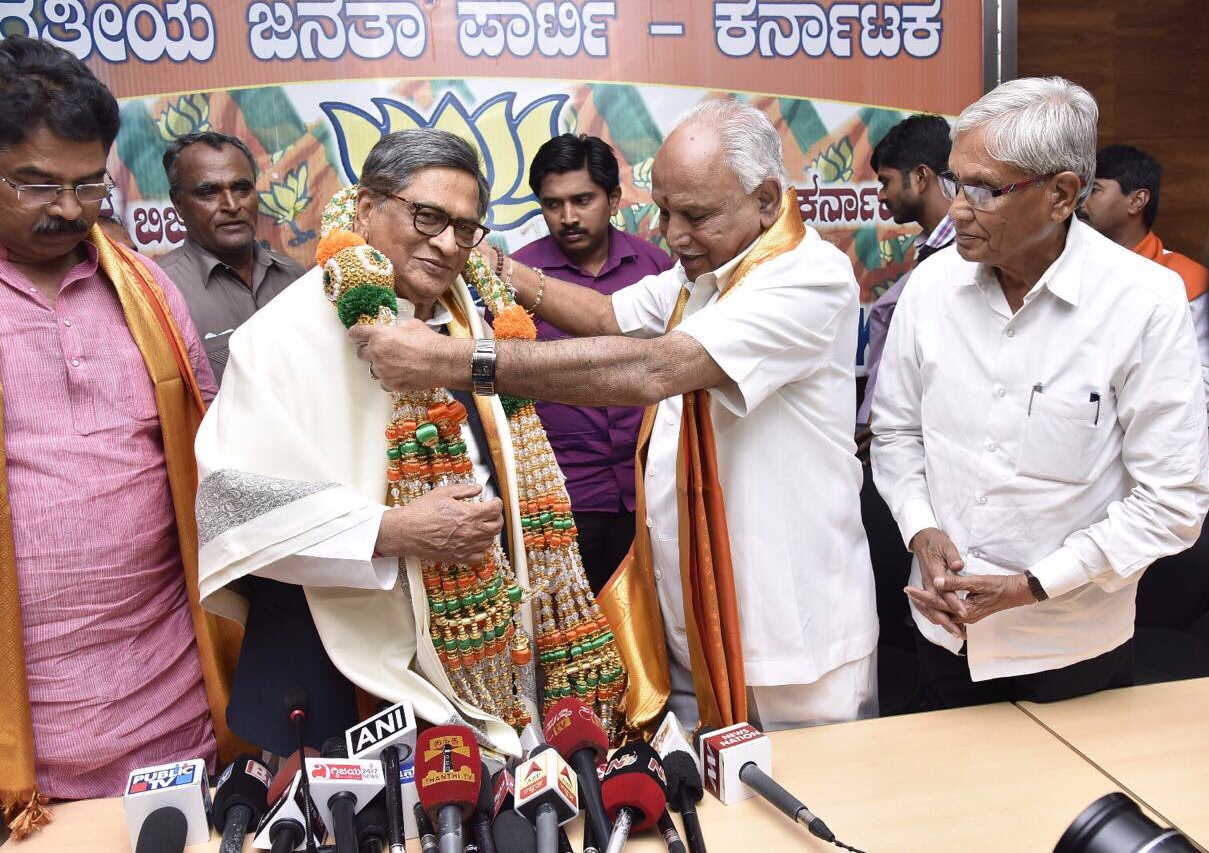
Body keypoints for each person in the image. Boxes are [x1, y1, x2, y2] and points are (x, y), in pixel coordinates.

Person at [353, 100, 878, 732]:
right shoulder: (705, 272)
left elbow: (652, 371)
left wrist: (453, 360)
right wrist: (491, 264)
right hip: (689, 623)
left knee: (812, 810)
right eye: (663, 211)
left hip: (793, 639)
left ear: (767, 200)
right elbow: (607, 317)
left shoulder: (806, 277)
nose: (673, 235)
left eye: (695, 215)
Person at [194, 128, 627, 758]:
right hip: (348, 662)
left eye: (466, 227)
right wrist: (389, 531)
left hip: (494, 636)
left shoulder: (471, 316)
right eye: (427, 216)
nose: (448, 243)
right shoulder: (280, 337)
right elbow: (229, 505)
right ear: (368, 209)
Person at [871, 77, 1209, 709]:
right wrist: (922, 531)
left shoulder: (1143, 303)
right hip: (941, 634)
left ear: (1061, 195)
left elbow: (1173, 500)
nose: (959, 209)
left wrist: (1034, 585)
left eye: (984, 190)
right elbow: (896, 433)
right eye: (954, 182)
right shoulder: (930, 288)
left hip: (1067, 647)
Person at [0, 36, 246, 833]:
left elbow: (213, 452)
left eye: (88, 183)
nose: (69, 209)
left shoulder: (143, 286)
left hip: (172, 708)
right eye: (37, 183)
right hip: (25, 741)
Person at [511, 134, 673, 593]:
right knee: (569, 637)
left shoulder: (657, 269)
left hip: (650, 494)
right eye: (552, 203)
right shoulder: (518, 279)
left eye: (582, 200)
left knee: (653, 632)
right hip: (560, 499)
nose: (567, 217)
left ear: (614, 198)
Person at [1079, 145, 1209, 519]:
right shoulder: (1074, 272)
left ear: (1137, 200)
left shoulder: (1185, 280)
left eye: (1096, 190)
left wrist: (1112, 400)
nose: (1081, 202)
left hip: (1180, 459)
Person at [158, 131, 304, 383]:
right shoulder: (160, 292)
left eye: (241, 188)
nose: (232, 205)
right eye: (208, 192)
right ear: (178, 203)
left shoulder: (294, 277)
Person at [858, 114, 955, 436]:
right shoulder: (930, 250)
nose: (881, 195)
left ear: (920, 177)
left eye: (885, 181)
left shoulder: (967, 254)